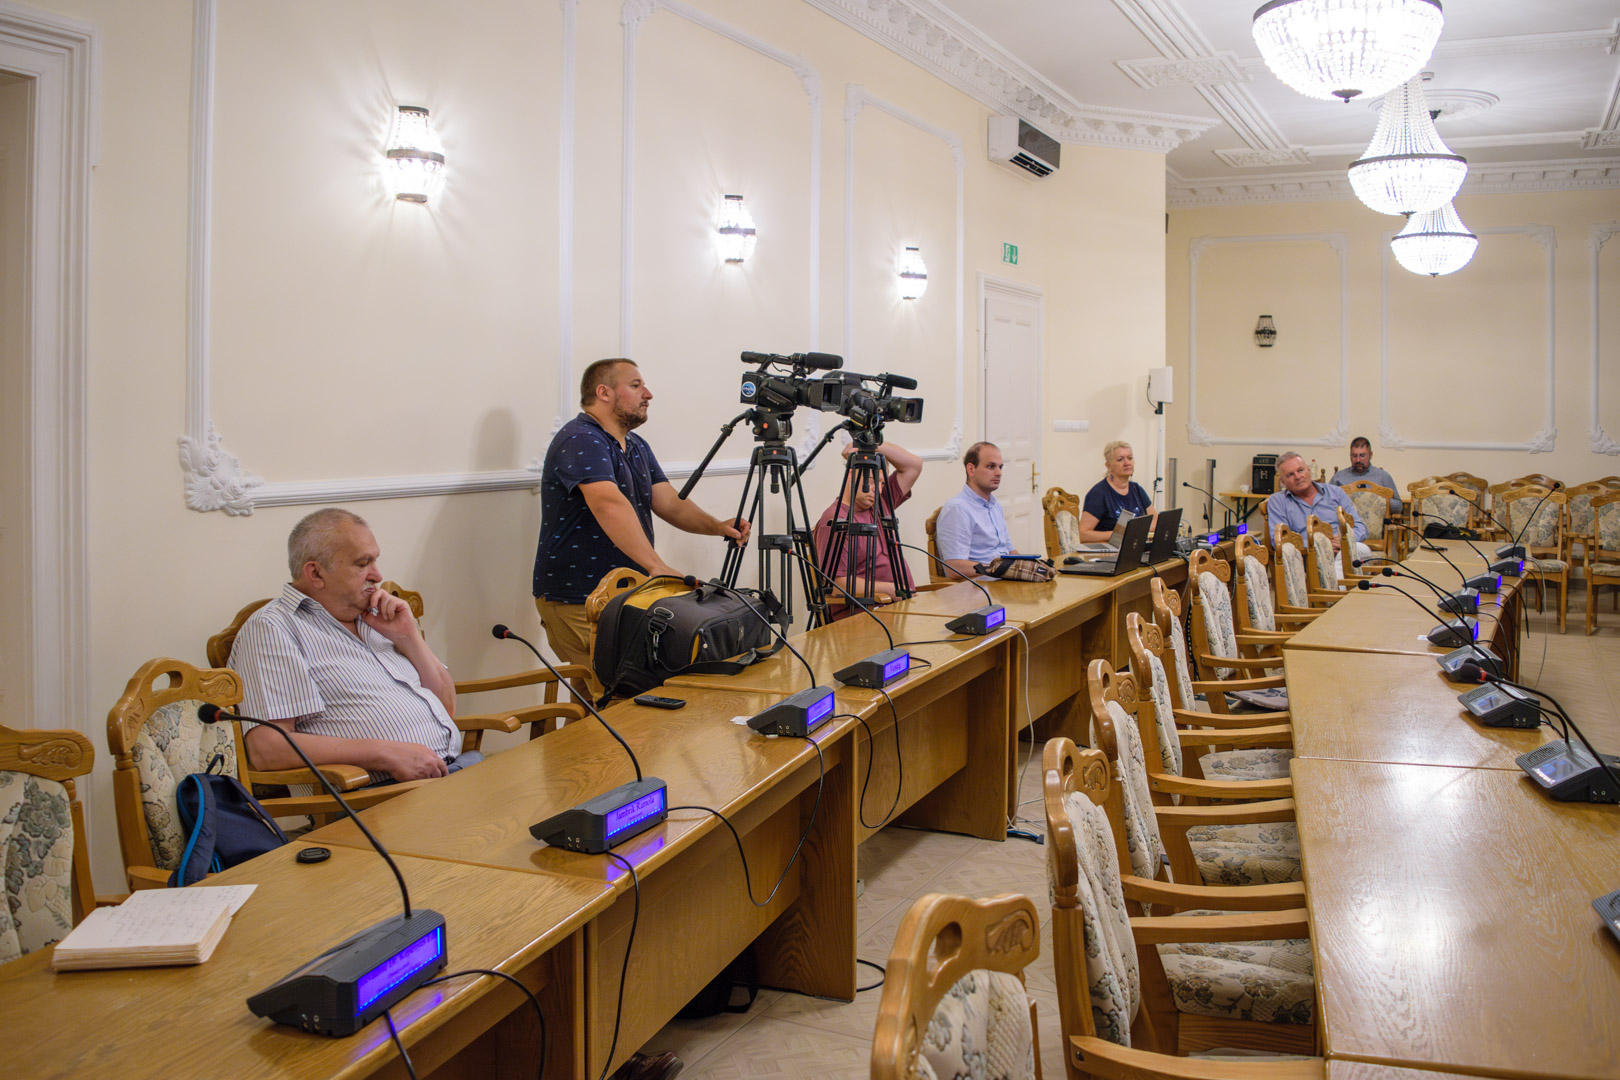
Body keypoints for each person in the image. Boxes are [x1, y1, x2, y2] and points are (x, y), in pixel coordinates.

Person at [532, 358, 750, 682]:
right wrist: (656, 566)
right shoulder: (581, 438)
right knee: (614, 694)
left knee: (598, 697)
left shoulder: (635, 444)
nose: (648, 394)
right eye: (635, 386)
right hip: (579, 597)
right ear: (604, 392)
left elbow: (669, 502)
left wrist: (717, 526)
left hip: (622, 594)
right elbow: (607, 503)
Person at [230, 508, 472, 785]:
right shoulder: (274, 628)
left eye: (375, 560)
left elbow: (447, 706)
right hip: (379, 794)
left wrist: (408, 637)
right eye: (363, 563)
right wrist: (384, 753)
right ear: (316, 573)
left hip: (452, 771)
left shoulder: (379, 617)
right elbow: (267, 748)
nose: (377, 575)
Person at [811, 439, 923, 619]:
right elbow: (835, 584)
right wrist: (890, 589)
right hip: (863, 614)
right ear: (851, 475)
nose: (877, 490)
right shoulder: (834, 520)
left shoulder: (881, 504)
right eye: (871, 481)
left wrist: (871, 444)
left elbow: (914, 465)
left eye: (882, 484)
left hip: (899, 609)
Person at [934, 441, 1023, 580]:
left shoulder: (995, 505)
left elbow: (1009, 551)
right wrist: (999, 569)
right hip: (980, 586)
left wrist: (1029, 567)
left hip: (1003, 581)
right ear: (971, 469)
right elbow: (954, 568)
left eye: (1000, 467)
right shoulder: (958, 509)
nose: (999, 473)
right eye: (991, 466)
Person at [1266, 450, 1371, 560]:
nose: (1297, 476)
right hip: (1308, 557)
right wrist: (1320, 545)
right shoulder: (1277, 502)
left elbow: (1360, 527)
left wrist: (1344, 540)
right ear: (1282, 482)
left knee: (1360, 549)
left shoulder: (1336, 493)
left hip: (1342, 549)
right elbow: (1279, 540)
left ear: (1309, 470)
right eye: (1290, 475)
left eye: (1300, 470)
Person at [1078, 440, 1158, 543]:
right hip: (1110, 550)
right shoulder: (1099, 493)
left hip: (1135, 546)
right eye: (1120, 460)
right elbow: (1083, 535)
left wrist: (1136, 530)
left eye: (1130, 458)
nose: (1127, 463)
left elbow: (1156, 521)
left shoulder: (1137, 489)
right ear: (1108, 466)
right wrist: (1121, 534)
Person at [1330, 436, 1402, 514]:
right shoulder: (1338, 477)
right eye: (1354, 456)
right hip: (1346, 520)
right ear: (1350, 456)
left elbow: (1399, 507)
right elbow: (1326, 502)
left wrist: (1378, 501)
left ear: (1371, 455)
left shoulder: (1383, 477)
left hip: (1376, 521)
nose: (1358, 460)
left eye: (1362, 455)